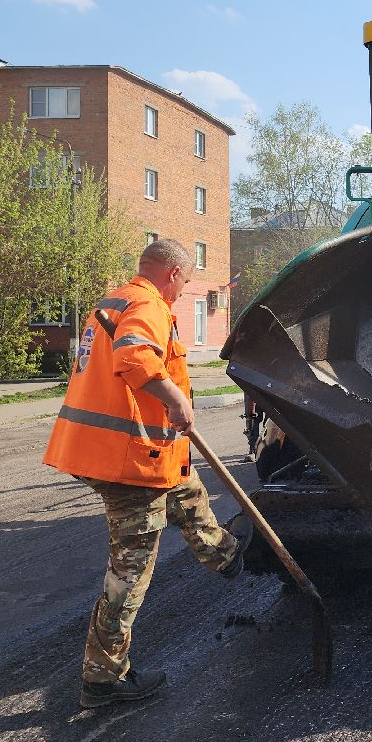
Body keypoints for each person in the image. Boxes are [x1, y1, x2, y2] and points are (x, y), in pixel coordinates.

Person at [44, 238, 252, 708]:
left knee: (184, 487)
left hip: (123, 451)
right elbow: (136, 359)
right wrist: (175, 399)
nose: (179, 295)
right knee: (131, 569)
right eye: (182, 285)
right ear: (175, 275)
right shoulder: (148, 304)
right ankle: (103, 678)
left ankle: (226, 554)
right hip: (123, 459)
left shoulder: (115, 299)